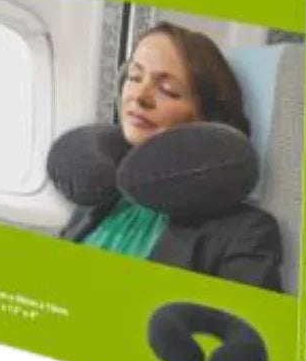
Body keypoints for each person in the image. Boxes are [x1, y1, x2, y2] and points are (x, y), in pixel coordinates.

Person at [50, 22, 282, 292]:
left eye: (168, 90)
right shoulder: (97, 196)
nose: (139, 96)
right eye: (134, 77)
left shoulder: (245, 233)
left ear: (206, 121)